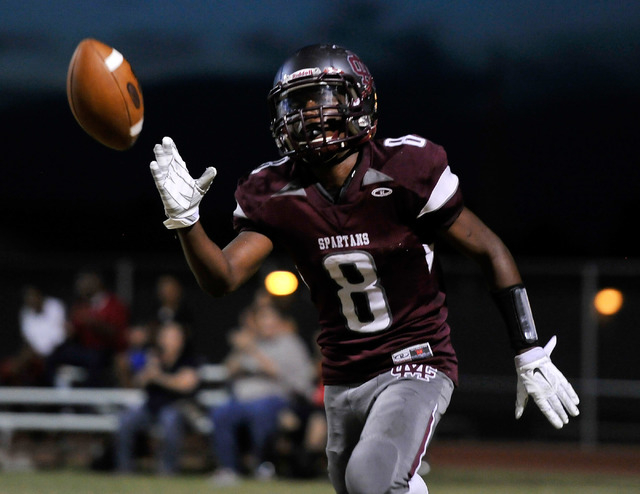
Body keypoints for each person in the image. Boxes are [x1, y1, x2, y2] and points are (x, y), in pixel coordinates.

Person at [149, 44, 580, 494]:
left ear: (359, 102)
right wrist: (187, 223)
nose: (309, 115)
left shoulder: (405, 169)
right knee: (361, 487)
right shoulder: (275, 192)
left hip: (416, 359)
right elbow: (222, 278)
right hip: (342, 373)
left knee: (370, 479)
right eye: (297, 104)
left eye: (323, 98)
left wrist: (528, 347)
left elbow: (490, 250)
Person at [209, 299, 315, 485]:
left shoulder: (290, 344)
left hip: (276, 399)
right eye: (263, 320)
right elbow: (228, 370)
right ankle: (228, 469)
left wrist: (252, 350)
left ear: (278, 321)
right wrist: (240, 350)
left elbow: (279, 373)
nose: (267, 324)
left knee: (260, 412)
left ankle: (263, 466)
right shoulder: (250, 343)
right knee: (220, 413)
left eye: (270, 319)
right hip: (241, 400)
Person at [115, 321, 201, 475]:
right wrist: (146, 371)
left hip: (178, 407)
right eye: (167, 336)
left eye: (175, 336)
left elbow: (186, 384)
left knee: (170, 419)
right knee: (126, 420)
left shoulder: (189, 359)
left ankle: (168, 470)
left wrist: (159, 377)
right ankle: (124, 468)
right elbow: (137, 382)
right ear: (161, 339)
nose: (171, 340)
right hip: (150, 408)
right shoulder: (152, 357)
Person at [46, 270, 129, 387]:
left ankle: (92, 400)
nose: (80, 285)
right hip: (83, 349)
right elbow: (75, 330)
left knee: (94, 360)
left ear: (96, 282)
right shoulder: (81, 305)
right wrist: (70, 330)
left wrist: (94, 322)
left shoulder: (114, 303)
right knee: (54, 356)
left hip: (106, 350)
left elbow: (116, 333)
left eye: (84, 281)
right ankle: (56, 394)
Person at [0, 285, 66, 386]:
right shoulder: (26, 312)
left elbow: (59, 335)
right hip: (35, 353)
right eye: (27, 299)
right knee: (14, 366)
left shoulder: (54, 306)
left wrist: (41, 351)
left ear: (39, 296)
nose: (30, 301)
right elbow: (29, 337)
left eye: (32, 297)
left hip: (57, 350)